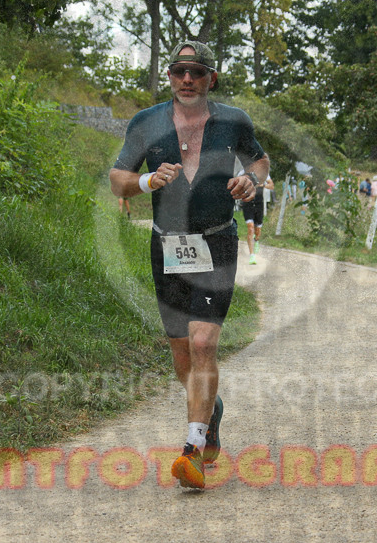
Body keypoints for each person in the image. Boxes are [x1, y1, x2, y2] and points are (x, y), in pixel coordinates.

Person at [109, 40, 268, 489]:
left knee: (202, 344)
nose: (187, 79)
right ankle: (210, 409)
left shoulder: (233, 121)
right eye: (179, 71)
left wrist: (251, 180)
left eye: (196, 72)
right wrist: (146, 180)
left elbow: (259, 159)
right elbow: (117, 180)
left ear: (210, 78)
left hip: (217, 243)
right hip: (167, 248)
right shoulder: (146, 122)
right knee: (182, 352)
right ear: (170, 76)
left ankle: (191, 450)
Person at [241, 174, 274, 264]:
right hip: (247, 204)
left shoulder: (264, 173)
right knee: (250, 228)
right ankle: (252, 255)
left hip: (259, 204)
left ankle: (256, 240)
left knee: (257, 231)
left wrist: (262, 185)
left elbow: (271, 186)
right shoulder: (243, 172)